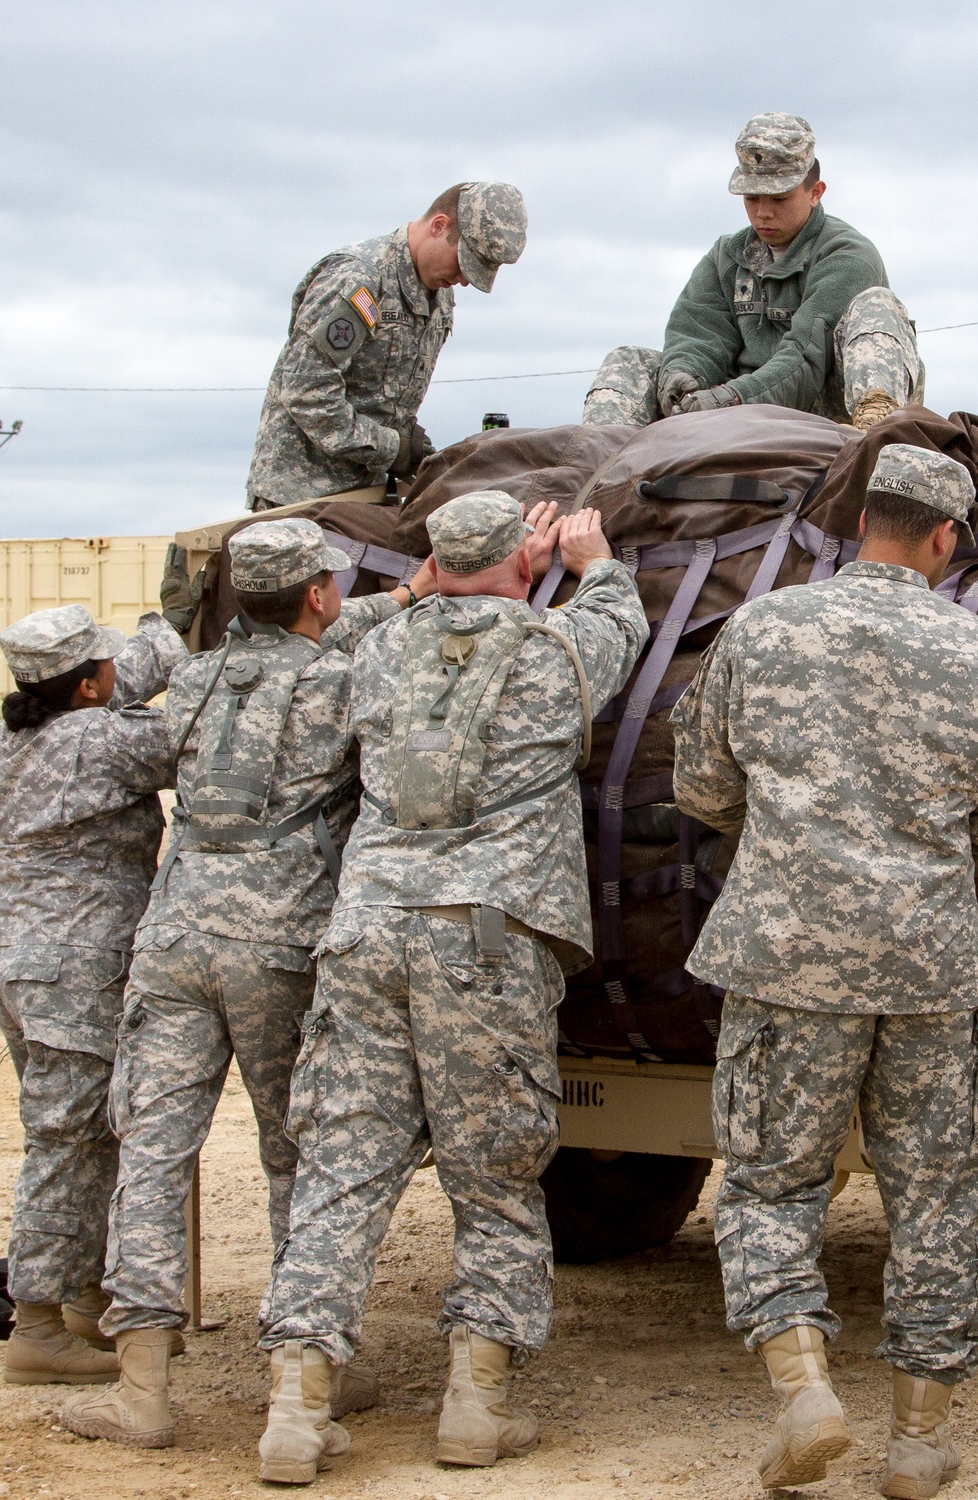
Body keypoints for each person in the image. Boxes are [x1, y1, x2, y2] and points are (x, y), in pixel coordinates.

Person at [253, 490, 647, 1485]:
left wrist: (418, 584)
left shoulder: (372, 653)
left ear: (432, 563)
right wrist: (588, 554)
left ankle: (295, 1414)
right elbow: (620, 620)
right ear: (523, 568)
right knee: (496, 1178)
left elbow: (339, 635)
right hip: (485, 939)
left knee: (341, 1168)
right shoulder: (554, 650)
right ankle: (474, 1409)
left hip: (367, 932)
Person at [61, 517, 437, 1450]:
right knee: (296, 1154)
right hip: (282, 946)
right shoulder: (347, 682)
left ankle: (141, 1393)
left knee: (152, 1155)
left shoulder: (189, 682)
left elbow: (238, 678)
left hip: (177, 938)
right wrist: (415, 604)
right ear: (317, 594)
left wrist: (400, 596)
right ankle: (306, 1377)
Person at [671, 444, 978, 1496]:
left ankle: (804, 1390)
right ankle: (918, 1439)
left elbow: (702, 787)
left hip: (785, 958)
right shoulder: (971, 649)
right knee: (938, 1194)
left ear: (859, 524)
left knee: (767, 1184)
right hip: (930, 965)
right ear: (944, 539)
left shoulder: (762, 628)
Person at [0, 602, 188, 1386]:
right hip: (76, 979)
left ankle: (82, 1300)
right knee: (67, 1148)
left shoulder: (17, 737)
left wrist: (156, 629)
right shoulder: (101, 742)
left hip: (27, 973)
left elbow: (119, 683)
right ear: (90, 685)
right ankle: (36, 1322)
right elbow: (200, 726)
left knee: (85, 1137)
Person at [584, 113, 923, 432]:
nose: (763, 213)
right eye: (751, 199)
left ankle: (875, 436)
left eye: (779, 199)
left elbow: (805, 357)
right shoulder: (727, 256)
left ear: (815, 193)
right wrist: (683, 377)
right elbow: (699, 334)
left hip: (825, 412)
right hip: (739, 415)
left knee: (876, 306)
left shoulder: (847, 255)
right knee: (629, 361)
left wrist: (731, 399)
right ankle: (598, 472)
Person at [246, 182, 528, 510]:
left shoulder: (440, 295)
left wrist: (412, 446)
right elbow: (306, 392)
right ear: (439, 226)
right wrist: (393, 448)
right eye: (463, 262)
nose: (465, 279)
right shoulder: (358, 280)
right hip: (303, 500)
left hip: (371, 496)